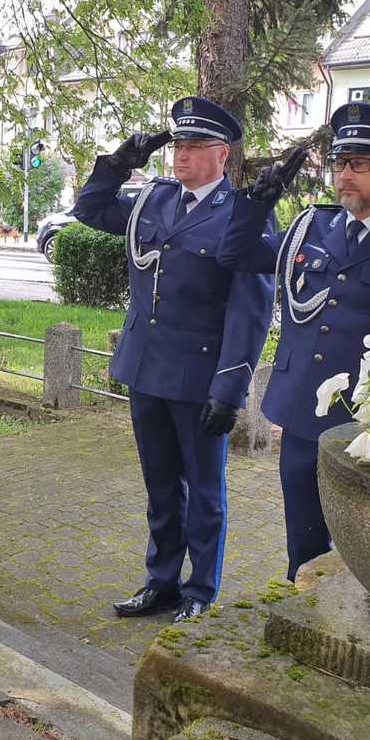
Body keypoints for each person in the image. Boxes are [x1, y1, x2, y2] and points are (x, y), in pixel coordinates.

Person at [216, 101, 370, 583]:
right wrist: (256, 205)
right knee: (303, 531)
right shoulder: (312, 227)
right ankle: (302, 598)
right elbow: (236, 255)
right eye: (340, 162)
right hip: (303, 407)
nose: (345, 174)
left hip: (367, 419)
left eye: (360, 164)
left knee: (367, 541)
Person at [71, 97, 275, 623]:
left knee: (204, 492)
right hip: (146, 368)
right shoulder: (154, 199)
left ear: (222, 154)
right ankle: (160, 582)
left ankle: (200, 589)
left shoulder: (243, 214)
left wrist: (229, 389)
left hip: (199, 377)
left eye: (195, 146)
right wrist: (119, 164)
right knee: (160, 487)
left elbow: (250, 313)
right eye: (178, 145)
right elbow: (89, 210)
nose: (181, 155)